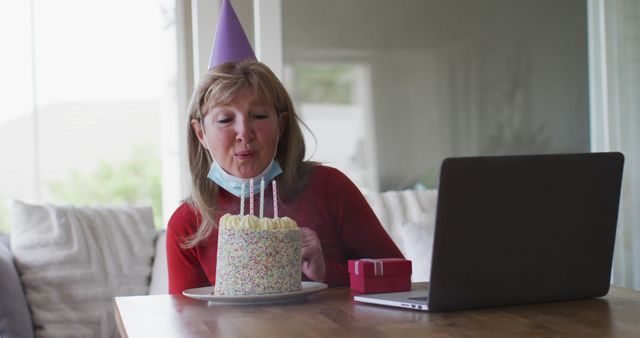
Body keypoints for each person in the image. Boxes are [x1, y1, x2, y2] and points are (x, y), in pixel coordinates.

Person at [166, 0, 403, 295]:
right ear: (200, 132)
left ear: (282, 124)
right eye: (226, 119)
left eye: (259, 116)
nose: (244, 133)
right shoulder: (188, 223)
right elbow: (184, 319)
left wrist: (326, 271)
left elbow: (397, 277)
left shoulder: (330, 189)